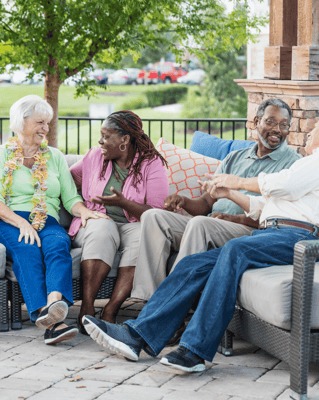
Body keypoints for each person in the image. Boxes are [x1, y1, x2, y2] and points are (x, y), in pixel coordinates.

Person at [82, 113, 319, 373]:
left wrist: (237, 182)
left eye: (315, 127)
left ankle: (194, 350)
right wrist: (229, 193)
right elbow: (266, 206)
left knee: (234, 249)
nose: (308, 131)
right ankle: (138, 336)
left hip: (298, 237)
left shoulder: (313, 162)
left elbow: (284, 186)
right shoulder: (305, 167)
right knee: (193, 264)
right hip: (271, 232)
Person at [131, 98, 301, 301]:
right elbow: (205, 205)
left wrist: (234, 219)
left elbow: (282, 218)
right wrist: (183, 201)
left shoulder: (293, 165)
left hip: (249, 231)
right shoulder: (235, 158)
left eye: (284, 125)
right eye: (271, 122)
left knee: (201, 224)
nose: (277, 130)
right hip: (212, 223)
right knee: (154, 217)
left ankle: (173, 302)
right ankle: (147, 301)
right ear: (256, 122)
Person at [0, 95, 106, 344]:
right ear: (20, 121)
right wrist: (21, 222)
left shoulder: (54, 156)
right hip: (11, 218)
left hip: (47, 218)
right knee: (27, 249)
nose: (45, 129)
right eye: (39, 122)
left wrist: (84, 211)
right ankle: (51, 319)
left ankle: (52, 307)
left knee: (58, 246)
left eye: (47, 123)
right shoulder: (3, 155)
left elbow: (70, 198)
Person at [69, 110, 169, 333]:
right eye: (101, 135)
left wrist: (124, 203)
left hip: (134, 223)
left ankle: (111, 310)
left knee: (145, 234)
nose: (100, 141)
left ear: (124, 139)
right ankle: (87, 308)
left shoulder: (151, 164)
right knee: (102, 228)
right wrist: (82, 207)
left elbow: (156, 213)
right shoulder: (95, 156)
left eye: (106, 136)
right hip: (98, 219)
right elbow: (67, 182)